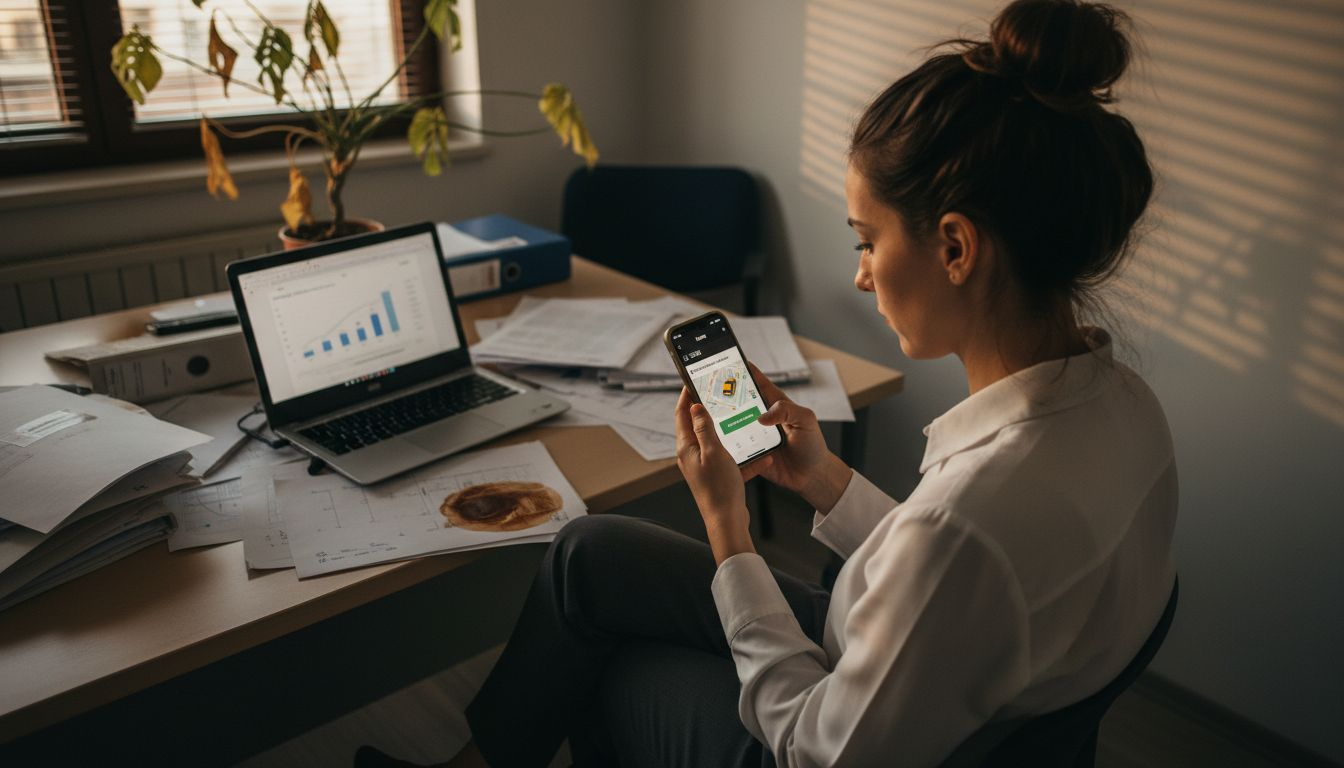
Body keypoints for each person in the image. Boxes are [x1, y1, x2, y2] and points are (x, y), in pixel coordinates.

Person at [356, 0, 1176, 765]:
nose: (860, 277)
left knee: (608, 671)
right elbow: (954, 583)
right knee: (589, 551)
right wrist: (819, 478)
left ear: (956, 249)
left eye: (866, 241)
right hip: (911, 665)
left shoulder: (971, 525)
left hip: (831, 725)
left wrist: (727, 526)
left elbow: (820, 738)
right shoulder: (1124, 409)